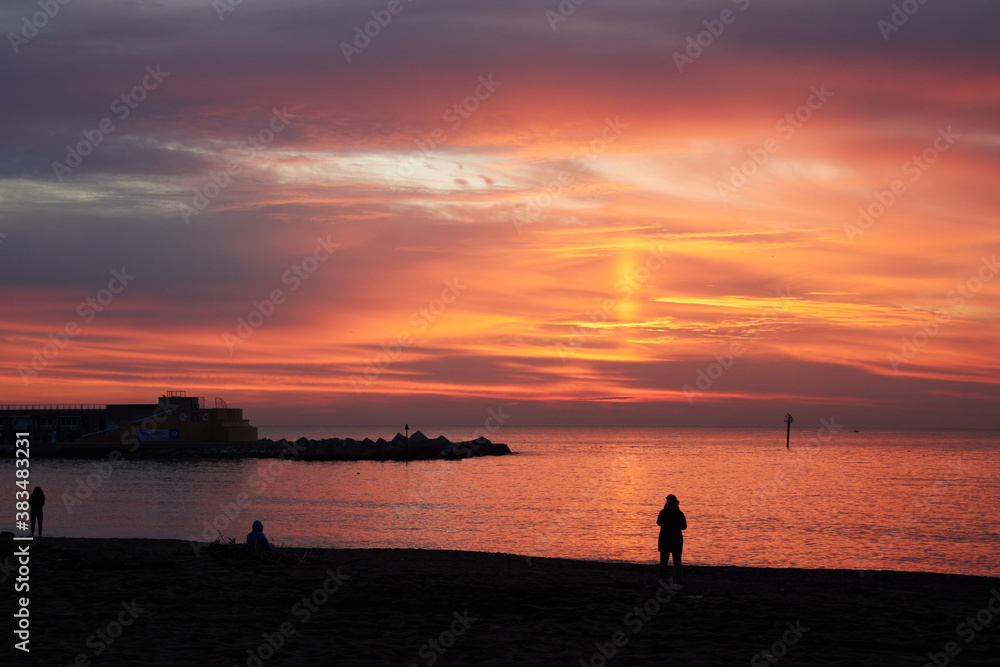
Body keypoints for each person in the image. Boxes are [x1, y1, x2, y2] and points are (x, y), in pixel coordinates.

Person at [657, 494, 686, 587]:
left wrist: (664, 510)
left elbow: (658, 522)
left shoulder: (663, 512)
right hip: (676, 539)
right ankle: (679, 581)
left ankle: (663, 581)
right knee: (677, 562)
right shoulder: (679, 513)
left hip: (665, 539)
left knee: (663, 562)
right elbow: (684, 526)